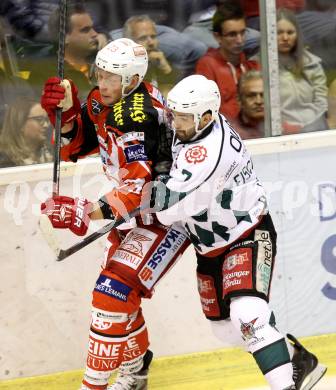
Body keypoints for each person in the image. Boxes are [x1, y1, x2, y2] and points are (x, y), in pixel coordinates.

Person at [151, 74, 327, 390]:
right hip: (208, 247)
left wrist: (157, 171)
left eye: (182, 117)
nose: (175, 123)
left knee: (247, 314)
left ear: (206, 116)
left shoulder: (208, 152)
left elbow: (166, 212)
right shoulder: (194, 126)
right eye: (174, 114)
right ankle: (298, 359)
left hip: (246, 233)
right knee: (225, 329)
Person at [39, 38, 190, 390]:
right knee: (121, 298)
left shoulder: (138, 116)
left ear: (133, 79)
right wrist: (66, 116)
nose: (102, 84)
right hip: (135, 217)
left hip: (164, 216)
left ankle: (93, 386)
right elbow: (85, 144)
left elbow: (140, 187)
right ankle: (135, 372)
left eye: (111, 78)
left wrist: (86, 212)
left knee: (111, 292)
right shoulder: (104, 99)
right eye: (100, 74)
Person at [195, 1, 260, 121]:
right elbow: (207, 112)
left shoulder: (253, 66)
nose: (240, 40)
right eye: (232, 35)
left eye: (242, 33)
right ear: (217, 37)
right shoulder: (207, 65)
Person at [28, 2, 102, 100]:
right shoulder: (44, 75)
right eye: (85, 30)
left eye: (93, 28)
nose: (95, 34)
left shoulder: (102, 62)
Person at [276, 8, 328, 133]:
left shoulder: (312, 63)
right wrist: (286, 127)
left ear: (297, 35)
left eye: (290, 32)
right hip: (280, 131)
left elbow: (321, 102)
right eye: (279, 32)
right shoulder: (257, 64)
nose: (285, 37)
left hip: (314, 127)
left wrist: (308, 127)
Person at [123, 15, 179, 98]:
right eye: (143, 38)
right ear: (129, 42)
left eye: (153, 37)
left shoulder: (160, 58)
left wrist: (166, 69)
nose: (151, 43)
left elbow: (179, 91)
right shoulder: (122, 67)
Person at [183, 0, 260, 56]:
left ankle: (241, 70)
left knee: (259, 39)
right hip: (195, 25)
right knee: (221, 49)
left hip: (221, 20)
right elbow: (183, 6)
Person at [0, 96, 52, 167]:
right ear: (20, 123)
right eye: (39, 119)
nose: (46, 125)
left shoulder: (51, 152)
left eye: (47, 119)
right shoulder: (4, 160)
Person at [234, 69, 264, 139]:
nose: (259, 101)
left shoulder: (285, 130)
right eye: (251, 96)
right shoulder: (230, 134)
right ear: (239, 100)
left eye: (263, 95)